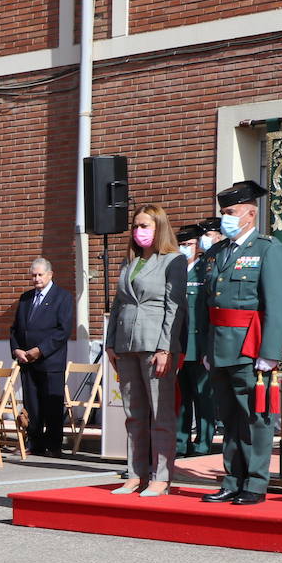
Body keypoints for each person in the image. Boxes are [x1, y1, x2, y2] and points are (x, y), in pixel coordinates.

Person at [199, 180, 282, 506]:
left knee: (255, 418)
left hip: (250, 348)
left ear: (250, 215)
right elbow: (206, 305)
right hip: (219, 347)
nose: (225, 217)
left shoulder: (268, 249)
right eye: (223, 212)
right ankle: (231, 480)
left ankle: (254, 483)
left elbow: (278, 305)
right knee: (229, 418)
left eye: (230, 212)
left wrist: (269, 353)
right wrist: (205, 349)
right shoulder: (217, 252)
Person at [105, 205, 188, 496]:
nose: (139, 232)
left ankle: (161, 476)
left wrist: (167, 347)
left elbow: (174, 306)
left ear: (159, 228)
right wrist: (110, 342)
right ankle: (134, 473)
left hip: (155, 344)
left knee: (160, 413)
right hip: (127, 345)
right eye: (136, 226)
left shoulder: (174, 261)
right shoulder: (129, 262)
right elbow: (118, 305)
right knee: (134, 414)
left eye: (145, 226)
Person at [10, 257, 75, 457]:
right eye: (33, 275)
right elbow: (15, 329)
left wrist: (40, 349)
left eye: (40, 275)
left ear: (50, 274)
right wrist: (17, 350)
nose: (36, 279)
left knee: (52, 404)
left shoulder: (62, 297)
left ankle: (54, 445)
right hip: (27, 362)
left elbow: (62, 331)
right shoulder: (26, 298)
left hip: (50, 360)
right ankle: (35, 442)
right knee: (32, 404)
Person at [175, 221, 217, 457]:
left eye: (189, 244)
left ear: (198, 244)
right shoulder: (176, 271)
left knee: (203, 399)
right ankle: (181, 442)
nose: (185, 248)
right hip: (179, 347)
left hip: (199, 346)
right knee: (182, 398)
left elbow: (209, 313)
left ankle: (203, 444)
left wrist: (207, 348)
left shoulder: (206, 271)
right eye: (181, 244)